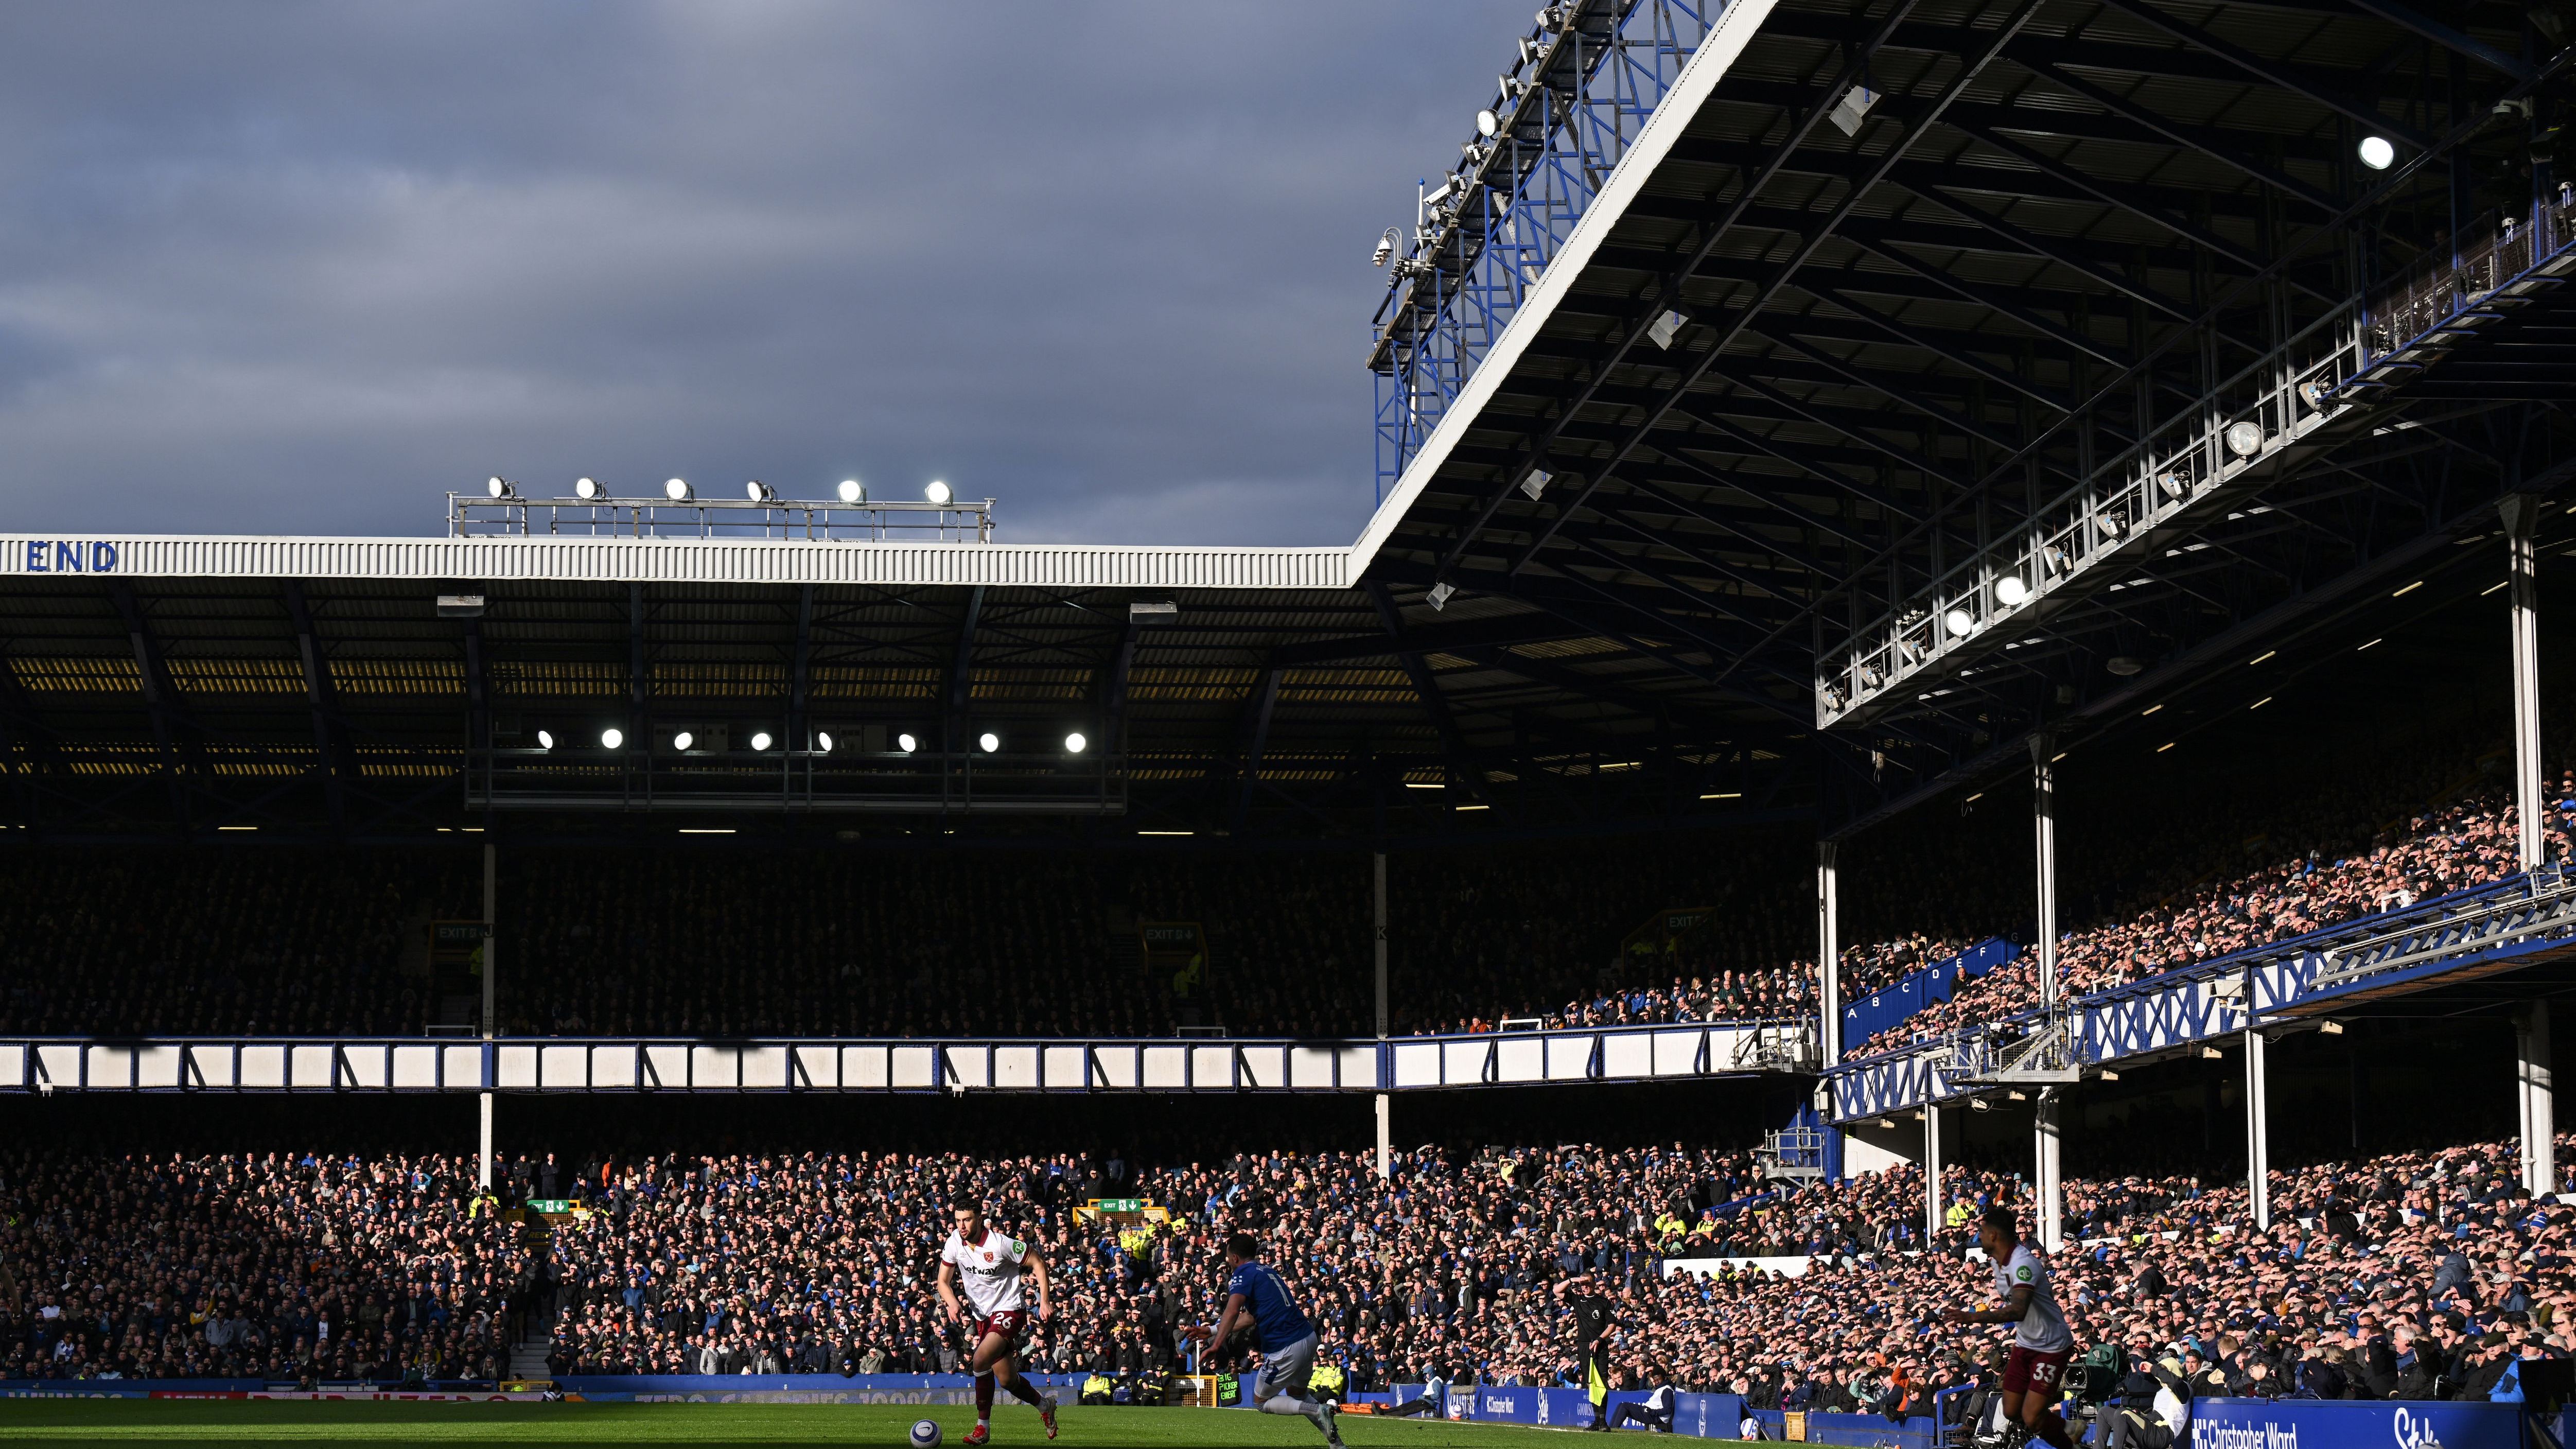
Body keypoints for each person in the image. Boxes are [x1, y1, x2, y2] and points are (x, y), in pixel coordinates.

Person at [1183, 1231, 1345, 1449]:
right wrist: (1212, 1330)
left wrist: (1216, 1345)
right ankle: (1337, 1444)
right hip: (1308, 1337)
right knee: (1297, 1394)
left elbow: (1232, 1312)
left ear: (1234, 1258)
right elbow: (1249, 1317)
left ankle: (1318, 1410)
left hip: (1286, 1345)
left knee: (1261, 1401)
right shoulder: (1266, 1271)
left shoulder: (1242, 1274)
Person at [1941, 1207, 2077, 1449]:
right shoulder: (1998, 1263)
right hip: (2027, 1342)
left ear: (1995, 1235)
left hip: (2051, 1344)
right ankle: (2063, 1428)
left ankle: (2068, 1441)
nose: (1978, 1236)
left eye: (1981, 1232)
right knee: (2012, 1410)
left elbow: (2019, 1310)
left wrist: (1972, 1318)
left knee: (2032, 1416)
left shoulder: (2022, 1263)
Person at [935, 1201, 1061, 1446]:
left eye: (967, 1220)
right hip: (983, 1318)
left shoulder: (1000, 1243)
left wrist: (1044, 1301)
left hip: (1009, 1310)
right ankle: (1045, 1406)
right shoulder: (954, 1242)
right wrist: (951, 1303)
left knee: (980, 1360)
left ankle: (983, 1427)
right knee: (1007, 1381)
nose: (962, 1226)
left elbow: (1037, 1262)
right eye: (958, 1220)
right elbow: (942, 1281)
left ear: (979, 1218)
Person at [1556, 1271, 1616, 1431]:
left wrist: (1600, 1339)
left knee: (1601, 1383)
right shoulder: (1577, 1299)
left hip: (1599, 1345)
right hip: (1583, 1346)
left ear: (1595, 1283)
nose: (1585, 1286)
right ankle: (1596, 1421)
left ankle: (1604, 1422)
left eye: (1588, 1283)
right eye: (1582, 1284)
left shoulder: (1603, 1302)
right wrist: (1572, 1280)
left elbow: (1612, 1324)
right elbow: (1557, 1291)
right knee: (1591, 1384)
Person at [1608, 1359, 1680, 1432]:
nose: (1656, 1382)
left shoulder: (1667, 1390)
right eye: (1655, 1380)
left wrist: (1652, 1412)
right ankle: (1611, 1428)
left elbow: (1668, 1410)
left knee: (1625, 1406)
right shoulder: (1661, 1388)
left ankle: (1613, 1430)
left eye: (1658, 1379)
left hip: (1655, 1417)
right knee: (1622, 1405)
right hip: (1649, 1412)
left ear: (1664, 1378)